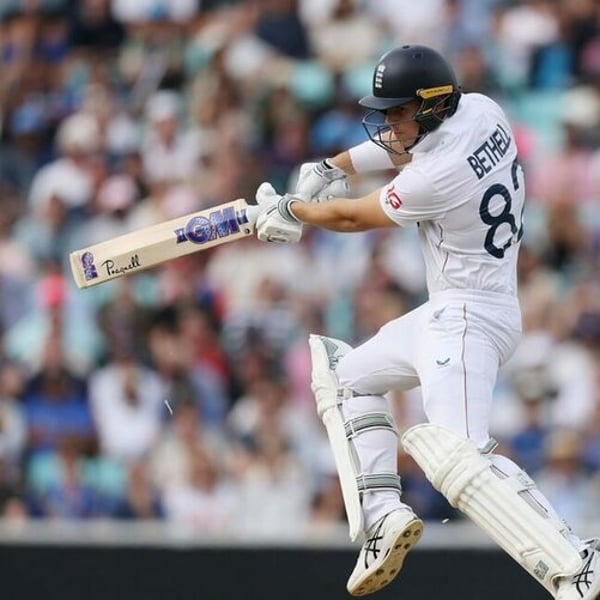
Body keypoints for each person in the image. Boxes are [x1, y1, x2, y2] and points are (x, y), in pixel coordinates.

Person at [250, 44, 600, 599]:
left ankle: (576, 559)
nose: (390, 124)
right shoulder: (483, 110)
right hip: (460, 309)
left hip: (466, 319)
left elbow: (352, 216)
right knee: (345, 377)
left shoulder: (435, 176)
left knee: (459, 456)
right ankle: (383, 516)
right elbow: (403, 147)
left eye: (399, 112)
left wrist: (292, 210)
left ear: (434, 105)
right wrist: (333, 166)